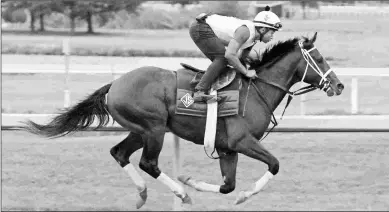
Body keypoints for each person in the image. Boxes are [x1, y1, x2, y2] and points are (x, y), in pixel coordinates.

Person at [189, 6, 283, 102]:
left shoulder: (253, 40)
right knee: (222, 58)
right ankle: (199, 92)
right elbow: (230, 55)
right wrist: (246, 72)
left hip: (204, 26)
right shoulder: (245, 32)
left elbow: (241, 59)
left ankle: (212, 87)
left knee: (228, 63)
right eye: (272, 32)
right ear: (263, 30)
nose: (272, 37)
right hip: (200, 27)